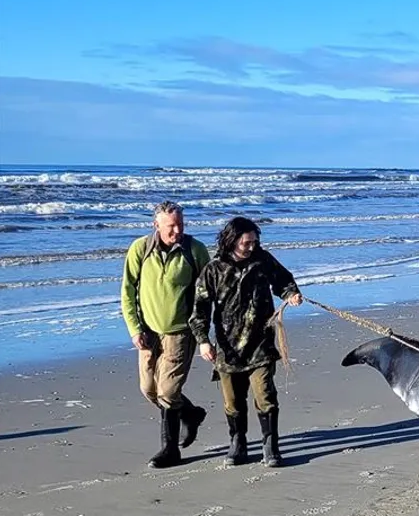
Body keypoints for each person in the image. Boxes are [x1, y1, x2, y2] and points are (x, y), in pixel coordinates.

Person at [190, 216, 303, 467]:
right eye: (246, 243)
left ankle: (270, 446)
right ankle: (238, 443)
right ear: (232, 241)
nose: (252, 247)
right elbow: (200, 308)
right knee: (233, 401)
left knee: (265, 395)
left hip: (261, 343)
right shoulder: (214, 269)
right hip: (228, 348)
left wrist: (291, 294)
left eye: (254, 242)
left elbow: (283, 280)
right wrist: (203, 341)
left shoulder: (263, 260)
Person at [120, 200, 212, 469]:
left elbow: (208, 293)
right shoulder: (140, 249)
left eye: (181, 224)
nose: (177, 231)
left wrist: (204, 334)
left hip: (181, 332)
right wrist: (134, 329)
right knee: (149, 389)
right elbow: (127, 291)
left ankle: (170, 450)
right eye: (171, 226)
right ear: (156, 225)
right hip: (148, 333)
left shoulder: (195, 250)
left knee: (168, 392)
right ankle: (191, 414)